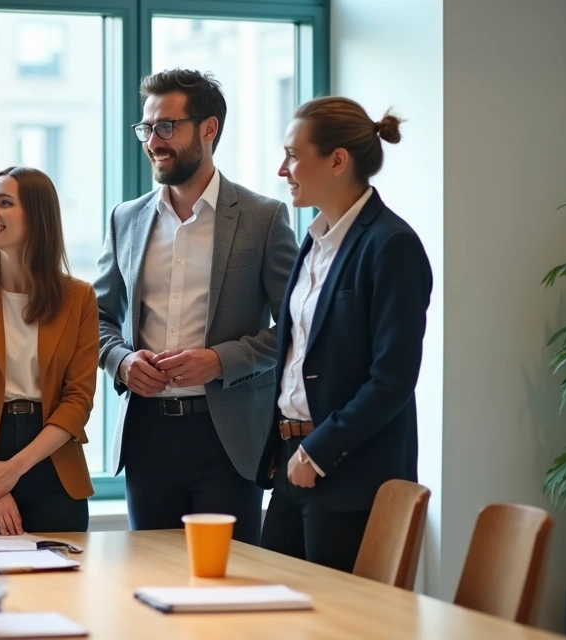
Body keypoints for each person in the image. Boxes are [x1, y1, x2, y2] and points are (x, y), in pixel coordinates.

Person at [93, 69, 299, 543]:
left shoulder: (263, 217)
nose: (153, 141)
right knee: (150, 583)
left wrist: (220, 361)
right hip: (146, 437)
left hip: (228, 439)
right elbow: (97, 319)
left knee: (229, 589)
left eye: (167, 127)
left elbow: (294, 326)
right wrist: (122, 362)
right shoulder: (125, 218)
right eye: (147, 128)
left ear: (209, 129)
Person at [256, 97, 432, 572]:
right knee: (267, 612)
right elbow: (298, 355)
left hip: (350, 474)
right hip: (293, 462)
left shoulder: (392, 245)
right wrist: (283, 448)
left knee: (340, 623)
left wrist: (317, 452)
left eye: (293, 155)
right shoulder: (313, 241)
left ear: (337, 160)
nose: (282, 169)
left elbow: (392, 379)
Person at [0, 167, 97, 536]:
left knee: (59, 589)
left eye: (5, 203)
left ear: (37, 217)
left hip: (54, 461)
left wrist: (14, 469)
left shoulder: (79, 298)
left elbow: (78, 400)